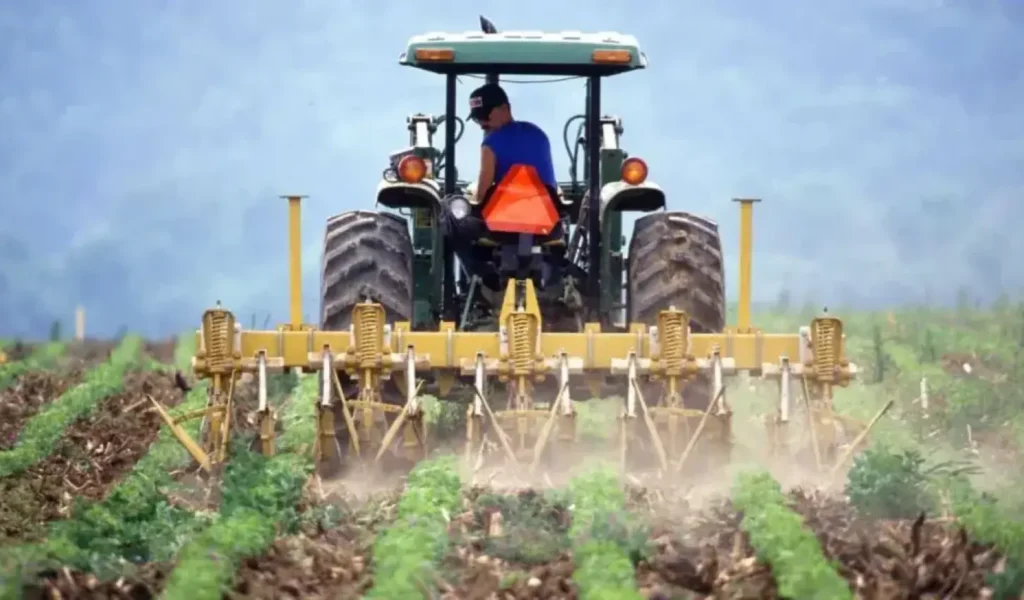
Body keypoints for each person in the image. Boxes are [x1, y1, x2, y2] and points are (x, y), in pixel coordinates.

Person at [468, 82, 557, 201]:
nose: (482, 125)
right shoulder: (539, 135)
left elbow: (482, 195)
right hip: (549, 213)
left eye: (485, 116)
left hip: (508, 214)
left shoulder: (490, 144)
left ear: (505, 108)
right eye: (477, 119)